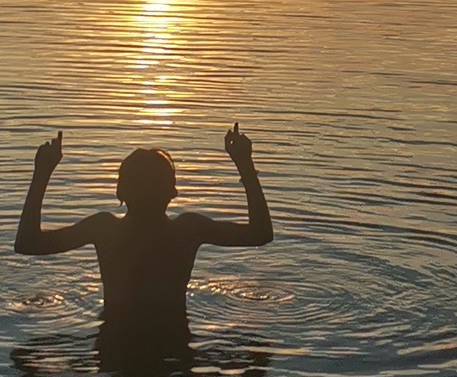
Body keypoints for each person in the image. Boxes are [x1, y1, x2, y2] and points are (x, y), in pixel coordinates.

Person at [14, 125, 273, 352]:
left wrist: (42, 173)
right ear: (173, 192)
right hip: (172, 345)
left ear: (120, 191)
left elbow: (28, 243)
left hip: (115, 345)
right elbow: (260, 234)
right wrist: (244, 165)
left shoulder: (105, 229)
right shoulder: (187, 230)